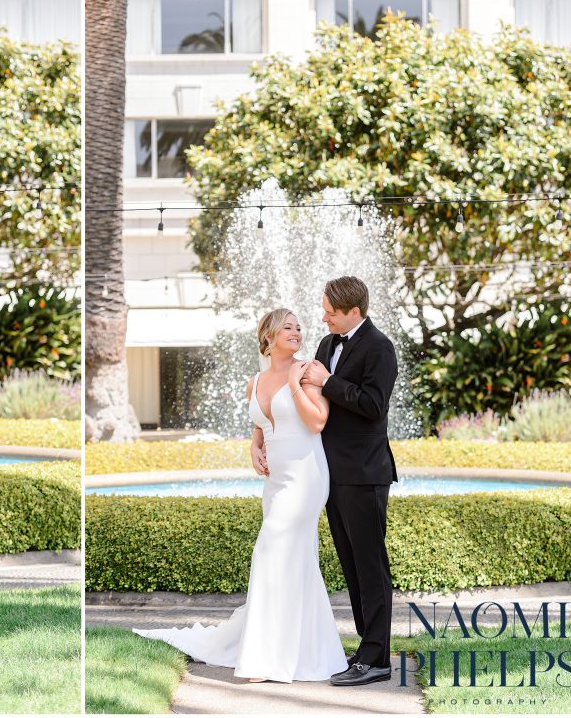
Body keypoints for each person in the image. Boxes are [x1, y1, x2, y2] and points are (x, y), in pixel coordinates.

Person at [133, 309, 347, 683]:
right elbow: (262, 423)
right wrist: (254, 445)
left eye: (299, 327)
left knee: (269, 550)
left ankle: (267, 657)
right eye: (288, 327)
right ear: (269, 336)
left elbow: (317, 422)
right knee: (291, 559)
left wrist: (297, 385)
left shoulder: (308, 370)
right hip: (276, 481)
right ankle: (299, 649)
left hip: (306, 475)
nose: (297, 332)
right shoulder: (256, 381)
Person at [300, 276, 398, 687]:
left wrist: (327, 382)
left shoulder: (380, 348)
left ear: (354, 312)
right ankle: (365, 648)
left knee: (371, 565)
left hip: (364, 474)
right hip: (331, 473)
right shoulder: (327, 344)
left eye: (330, 312)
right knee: (351, 564)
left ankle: (377, 658)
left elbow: (373, 406)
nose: (323, 318)